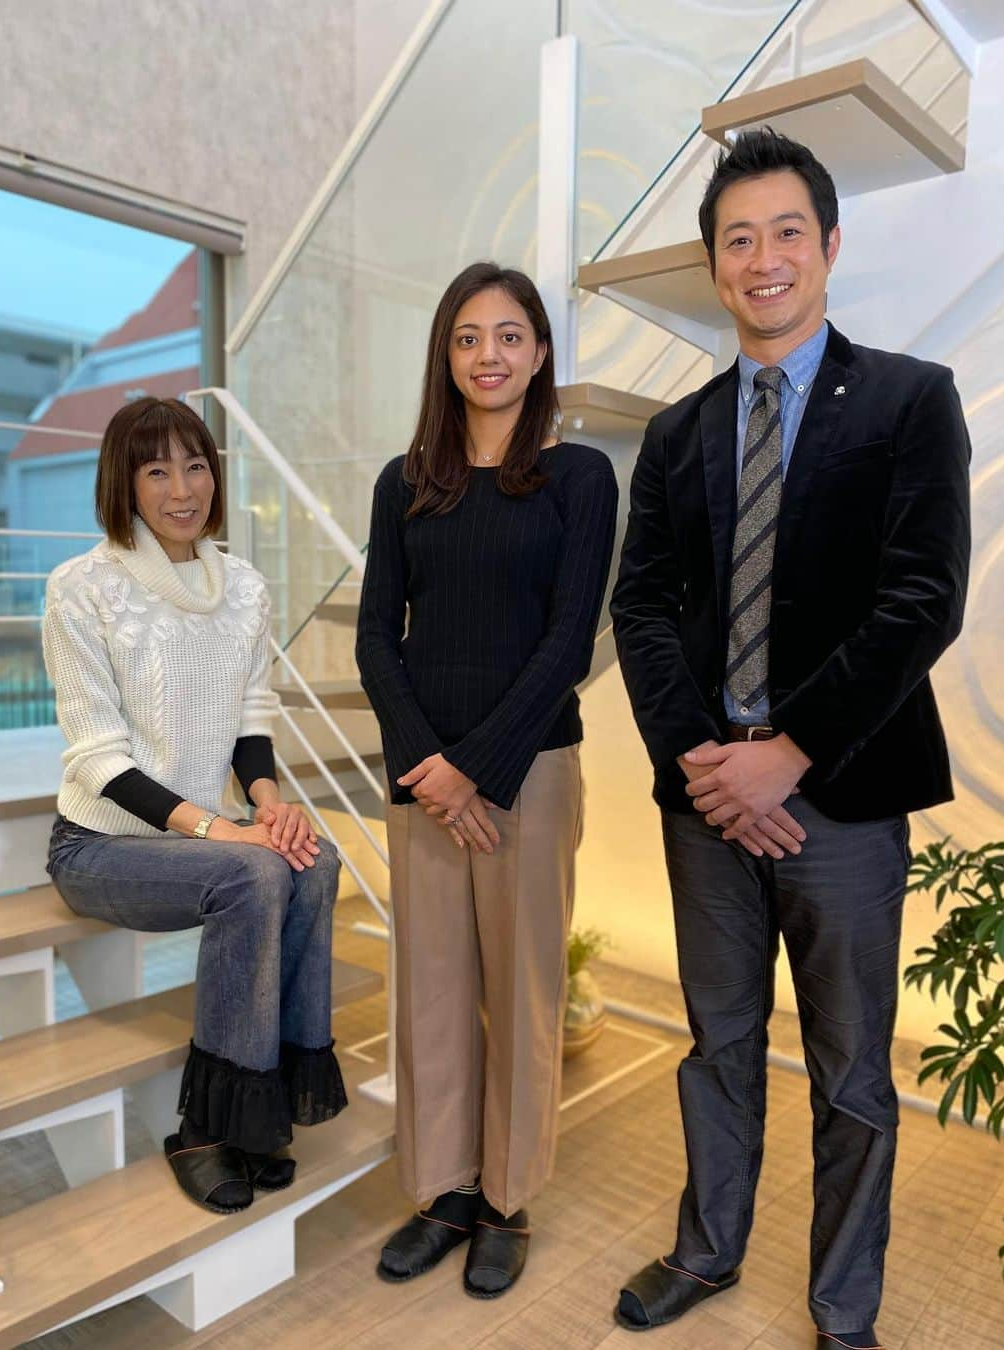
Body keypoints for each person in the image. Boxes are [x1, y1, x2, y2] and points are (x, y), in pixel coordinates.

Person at [609, 129, 970, 1348]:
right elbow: (643, 608)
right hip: (708, 799)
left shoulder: (913, 401)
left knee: (853, 1072)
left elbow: (923, 599)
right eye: (737, 239)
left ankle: (842, 1312)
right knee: (716, 1046)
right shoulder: (676, 434)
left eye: (785, 234)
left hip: (847, 797)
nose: (762, 259)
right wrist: (712, 769)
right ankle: (707, 1253)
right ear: (715, 266)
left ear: (827, 246)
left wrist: (791, 750)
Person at [356, 261, 617, 1298]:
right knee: (431, 991)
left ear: (540, 352)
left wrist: (478, 771)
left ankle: (508, 1199)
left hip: (530, 772)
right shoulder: (404, 481)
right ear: (446, 355)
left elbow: (568, 642)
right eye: (468, 338)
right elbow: (381, 638)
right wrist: (432, 770)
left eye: (509, 336)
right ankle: (444, 1191)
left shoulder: (581, 478)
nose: (489, 355)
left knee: (521, 992)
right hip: (427, 780)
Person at [43, 396, 347, 1216]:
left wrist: (270, 806)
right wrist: (223, 830)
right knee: (252, 875)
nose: (183, 488)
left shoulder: (241, 585)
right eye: (157, 470)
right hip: (99, 846)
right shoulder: (81, 588)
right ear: (125, 483)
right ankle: (206, 1129)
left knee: (313, 863)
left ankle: (261, 1104)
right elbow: (100, 761)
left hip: (194, 838)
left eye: (196, 464)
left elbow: (253, 716)